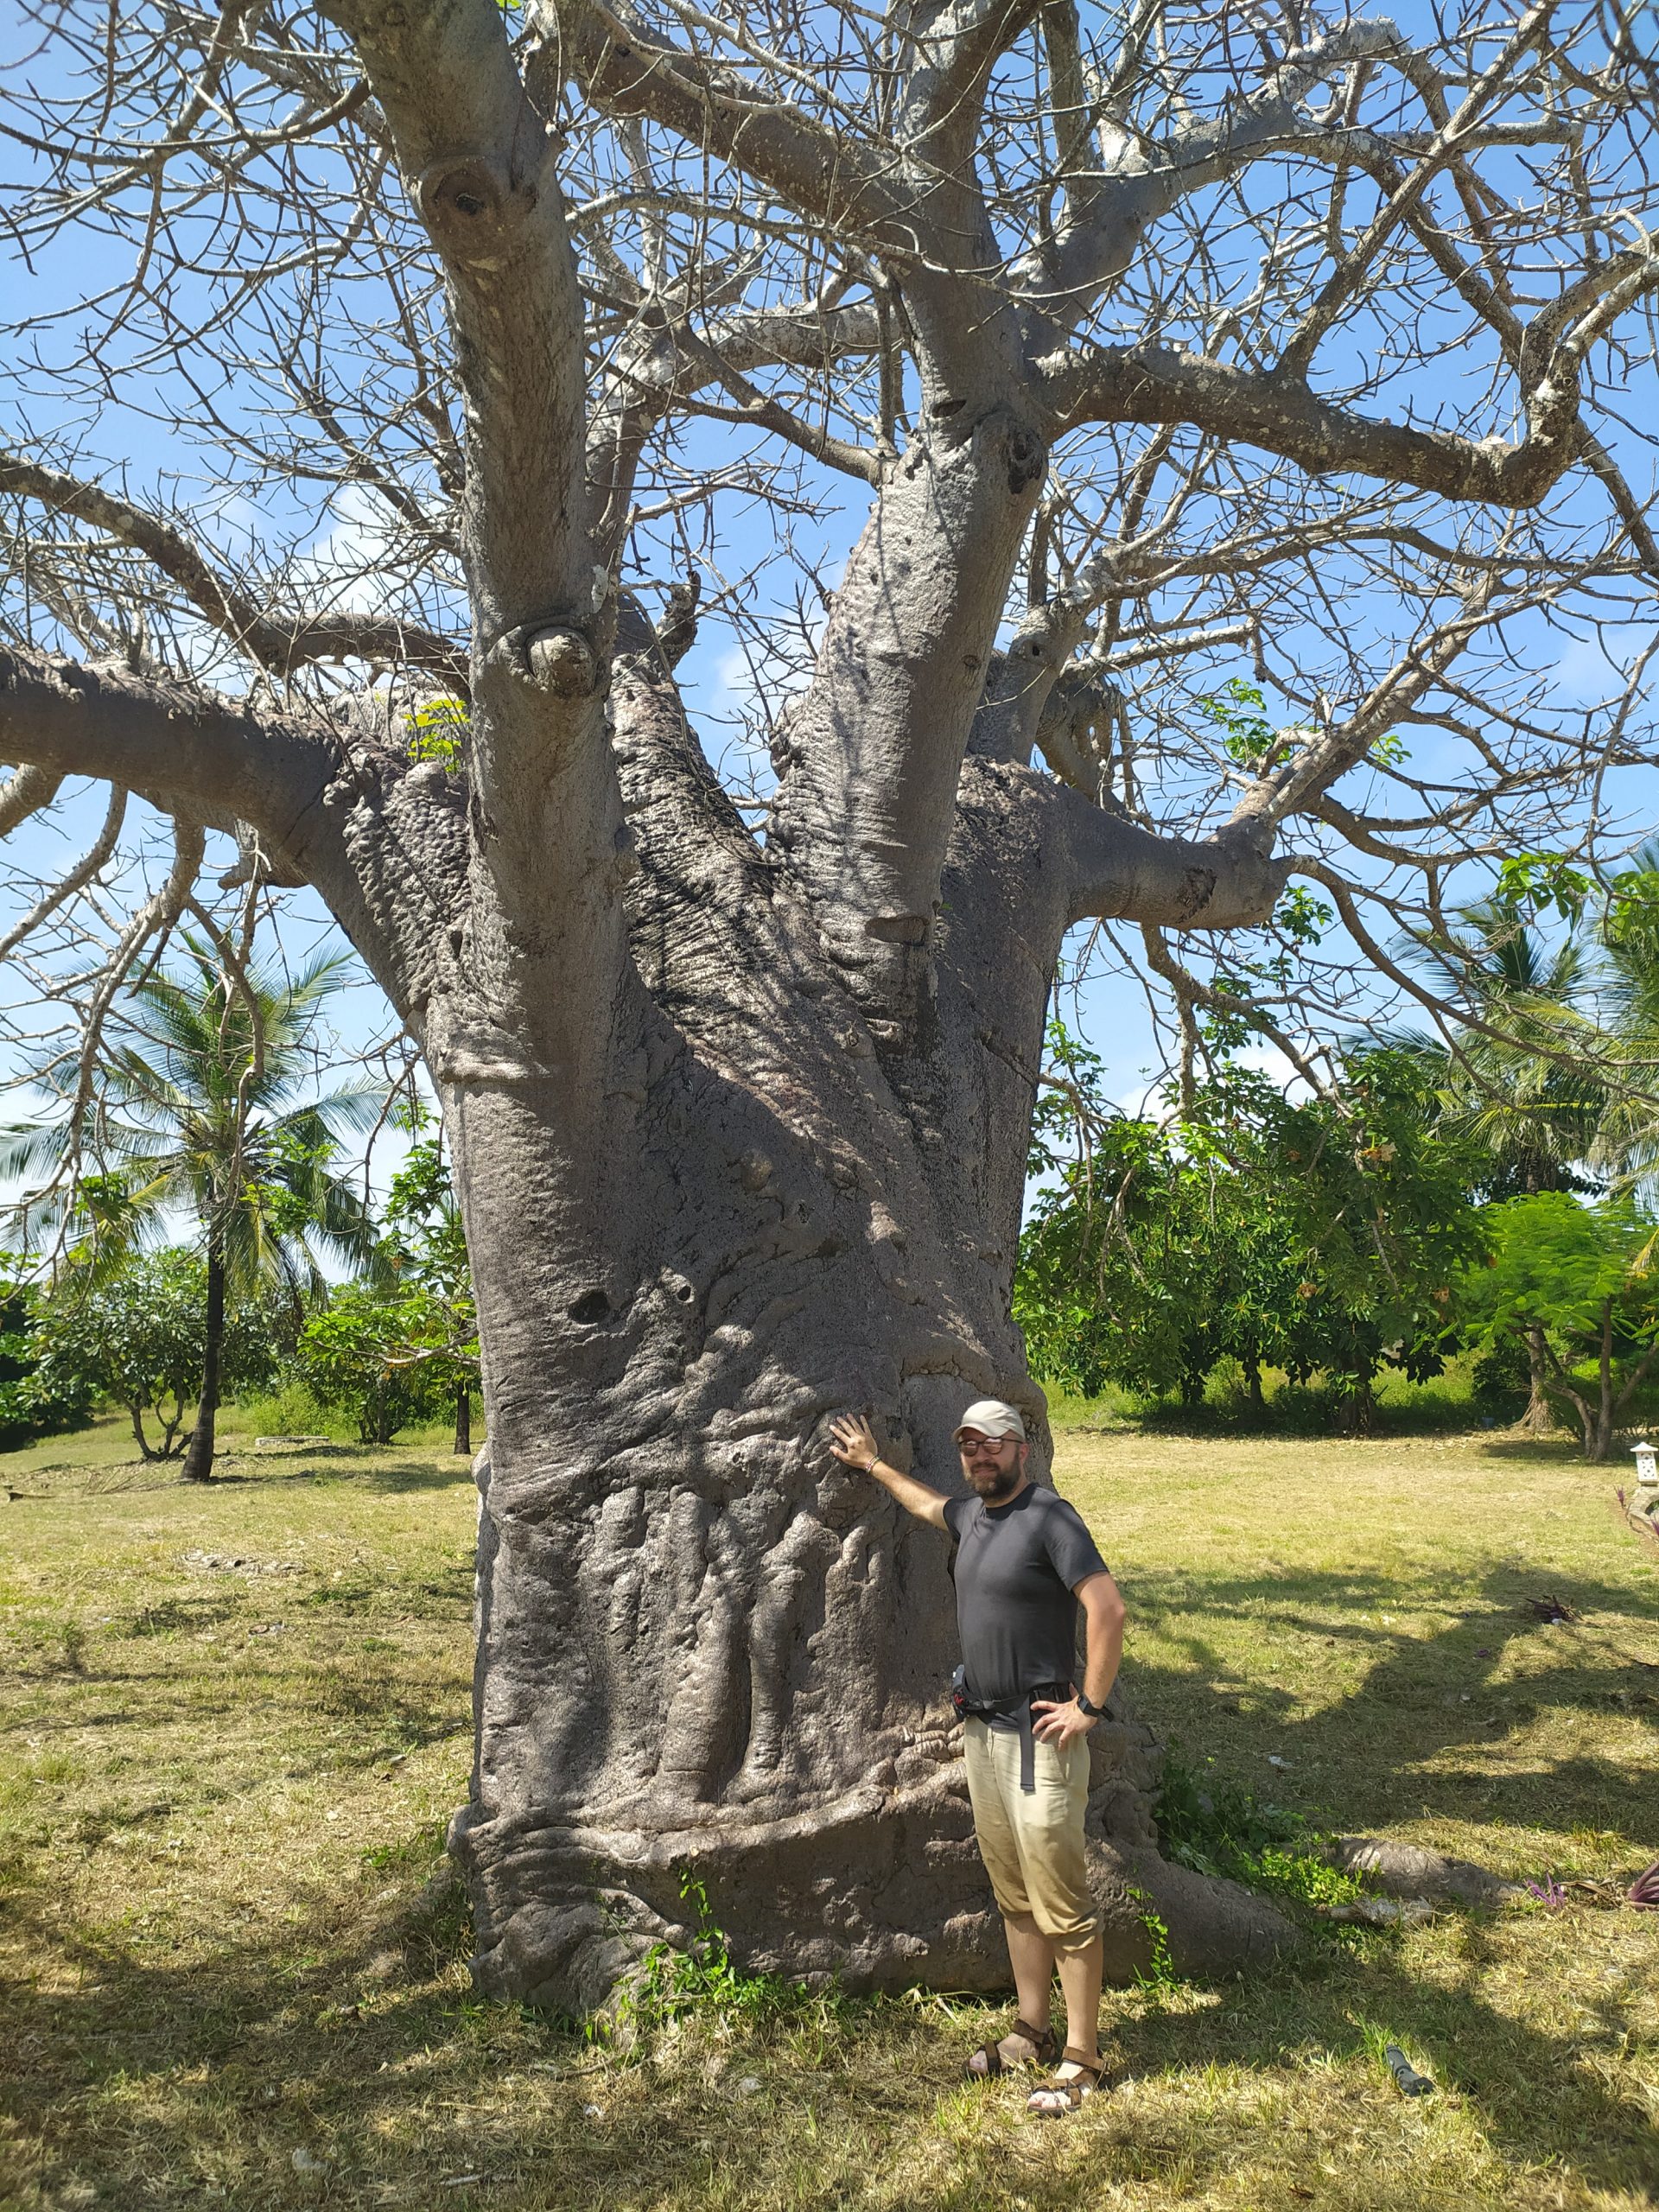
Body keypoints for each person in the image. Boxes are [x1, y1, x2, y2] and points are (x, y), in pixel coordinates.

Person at [829, 1396, 1127, 2115]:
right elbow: (926, 1504)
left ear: (1020, 1448)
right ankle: (1031, 2030)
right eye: (969, 1445)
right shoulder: (971, 1517)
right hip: (984, 1732)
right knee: (1014, 1893)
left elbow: (1107, 1608)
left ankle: (1084, 2058)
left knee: (1060, 1900)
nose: (980, 1454)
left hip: (1041, 1735)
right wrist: (873, 1465)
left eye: (993, 1443)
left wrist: (1088, 1707)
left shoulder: (1050, 1517)